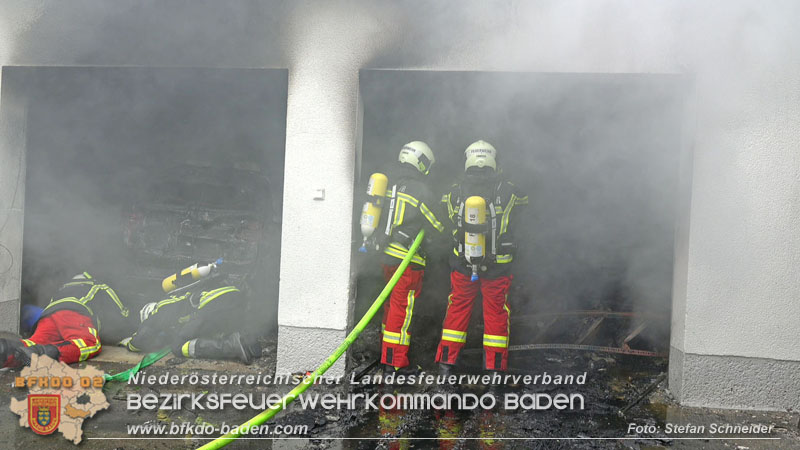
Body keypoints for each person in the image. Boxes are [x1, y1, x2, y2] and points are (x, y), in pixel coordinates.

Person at [435, 140, 528, 373]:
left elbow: (445, 218)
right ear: (493, 161)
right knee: (496, 315)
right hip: (498, 268)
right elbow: (525, 205)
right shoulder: (510, 191)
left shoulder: (453, 191)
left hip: (463, 264)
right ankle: (494, 375)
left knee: (457, 311)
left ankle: (446, 369)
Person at [372, 141, 445, 372]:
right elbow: (438, 225)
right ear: (422, 163)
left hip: (386, 258)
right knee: (402, 310)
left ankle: (387, 352)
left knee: (391, 306)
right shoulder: (422, 191)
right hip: (407, 262)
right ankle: (395, 363)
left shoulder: (389, 184)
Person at [0, 272, 131, 367]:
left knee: (35, 342)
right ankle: (41, 354)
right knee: (90, 343)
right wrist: (127, 324)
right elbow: (120, 309)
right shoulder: (99, 285)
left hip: (48, 316)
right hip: (73, 313)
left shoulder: (64, 288)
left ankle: (5, 350)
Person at [123, 276, 260, 364]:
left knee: (177, 347)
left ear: (149, 313)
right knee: (204, 332)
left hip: (215, 302)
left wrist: (128, 344)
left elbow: (140, 340)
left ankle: (230, 346)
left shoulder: (160, 308)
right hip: (233, 301)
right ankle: (246, 342)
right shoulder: (176, 303)